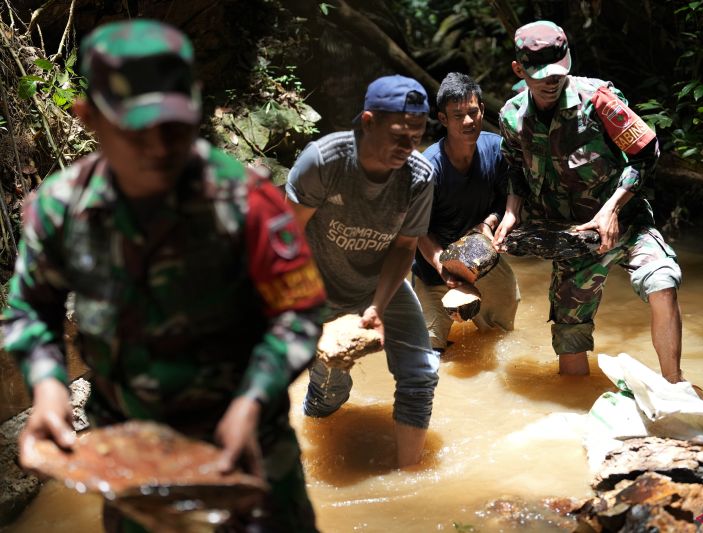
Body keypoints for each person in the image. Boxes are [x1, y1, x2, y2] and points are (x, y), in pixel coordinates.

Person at [2, 20, 327, 531]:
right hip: (133, 467)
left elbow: (299, 312)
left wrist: (252, 401)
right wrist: (48, 387)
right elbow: (29, 310)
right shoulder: (60, 210)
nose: (157, 146)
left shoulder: (247, 202)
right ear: (89, 119)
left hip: (247, 454)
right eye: (136, 128)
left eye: (172, 128)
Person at [494, 21, 703, 404]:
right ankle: (579, 409)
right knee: (569, 346)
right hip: (571, 238)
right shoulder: (513, 117)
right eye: (540, 75)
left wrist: (613, 208)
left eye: (558, 72)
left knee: (662, 279)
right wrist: (512, 213)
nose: (551, 81)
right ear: (519, 70)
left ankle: (675, 385)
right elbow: (514, 168)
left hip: (625, 223)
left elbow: (646, 152)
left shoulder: (598, 99)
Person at [286, 75, 440, 467]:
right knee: (330, 392)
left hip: (379, 283)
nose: (409, 148)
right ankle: (311, 452)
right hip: (317, 285)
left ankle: (411, 477)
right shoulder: (324, 161)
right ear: (368, 122)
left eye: (417, 136)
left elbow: (405, 248)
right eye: (399, 136)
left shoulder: (419, 176)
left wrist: (377, 307)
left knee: (421, 374)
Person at [412, 72, 520, 352]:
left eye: (473, 112)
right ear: (443, 119)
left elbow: (506, 197)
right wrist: (444, 269)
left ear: (483, 110)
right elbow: (418, 232)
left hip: (482, 259)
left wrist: (491, 221)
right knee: (430, 352)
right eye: (458, 115)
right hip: (433, 268)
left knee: (501, 338)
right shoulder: (428, 169)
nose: (468, 121)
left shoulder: (496, 149)